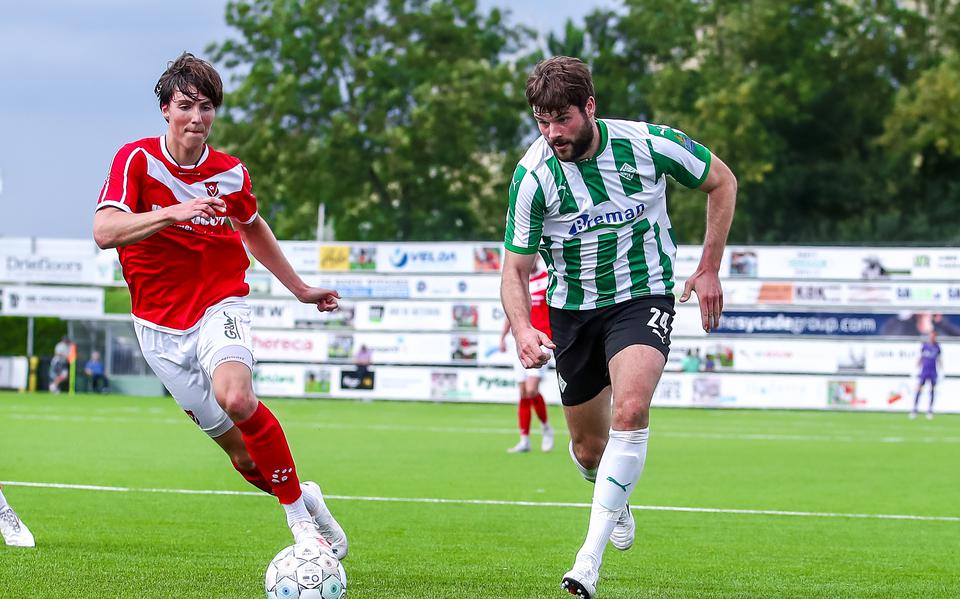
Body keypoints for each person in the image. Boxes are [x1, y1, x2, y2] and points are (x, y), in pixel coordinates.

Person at [501, 56, 736, 598]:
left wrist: (708, 268)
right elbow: (514, 269)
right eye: (541, 120)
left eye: (562, 118)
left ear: (590, 107)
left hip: (642, 294)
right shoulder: (533, 176)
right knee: (588, 450)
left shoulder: (649, 144)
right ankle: (615, 495)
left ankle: (589, 558)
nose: (552, 133)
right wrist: (521, 328)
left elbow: (722, 181)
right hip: (572, 311)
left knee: (631, 409)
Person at [92, 53, 347, 555]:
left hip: (219, 304)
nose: (197, 117)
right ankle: (306, 496)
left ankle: (298, 524)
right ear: (165, 109)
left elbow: (252, 227)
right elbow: (104, 231)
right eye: (185, 105)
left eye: (206, 107)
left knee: (237, 396)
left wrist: (300, 287)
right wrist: (174, 211)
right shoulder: (136, 161)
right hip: (158, 329)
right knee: (247, 460)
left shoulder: (231, 173)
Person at [499, 257, 554, 454]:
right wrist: (503, 337)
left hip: (542, 340)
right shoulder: (521, 284)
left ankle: (546, 428)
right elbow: (513, 313)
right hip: (522, 340)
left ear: (537, 259)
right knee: (523, 393)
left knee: (531, 390)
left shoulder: (548, 280)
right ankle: (524, 440)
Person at [912, 331, 942, 420]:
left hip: (933, 371)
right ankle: (915, 409)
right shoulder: (924, 346)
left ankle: (930, 410)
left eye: (934, 336)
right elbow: (920, 358)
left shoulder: (937, 347)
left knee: (932, 390)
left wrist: (942, 371)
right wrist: (916, 368)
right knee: (919, 389)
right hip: (924, 371)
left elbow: (939, 359)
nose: (932, 337)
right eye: (931, 336)